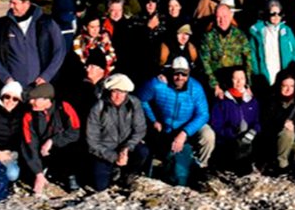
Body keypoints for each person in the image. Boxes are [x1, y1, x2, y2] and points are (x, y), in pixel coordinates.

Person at [136, 56, 215, 186]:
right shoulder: (157, 84)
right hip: (164, 127)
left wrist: (185, 132)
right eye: (176, 74)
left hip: (187, 125)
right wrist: (153, 119)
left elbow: (203, 114)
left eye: (183, 74)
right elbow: (140, 100)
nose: (180, 78)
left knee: (208, 135)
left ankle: (201, 165)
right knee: (172, 157)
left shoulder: (196, 88)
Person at [0, 0, 65, 95]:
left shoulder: (47, 23)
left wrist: (46, 76)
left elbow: (59, 51)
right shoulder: (3, 26)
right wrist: (6, 79)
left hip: (41, 87)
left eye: (15, 3)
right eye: (10, 2)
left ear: (26, 3)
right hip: (13, 90)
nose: (11, 6)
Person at [84, 72, 150, 191]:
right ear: (110, 91)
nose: (118, 96)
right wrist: (114, 157)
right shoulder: (98, 107)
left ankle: (128, 173)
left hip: (126, 146)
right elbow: (92, 141)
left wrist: (127, 148)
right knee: (100, 187)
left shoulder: (133, 103)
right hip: (105, 149)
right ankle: (113, 169)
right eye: (115, 91)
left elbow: (140, 129)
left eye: (123, 92)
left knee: (142, 151)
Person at [19, 82, 82, 194]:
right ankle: (43, 173)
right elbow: (29, 144)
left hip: (62, 149)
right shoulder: (29, 116)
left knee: (71, 149)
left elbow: (75, 132)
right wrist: (37, 173)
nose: (30, 102)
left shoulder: (64, 108)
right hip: (41, 153)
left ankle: (70, 175)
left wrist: (52, 141)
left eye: (34, 99)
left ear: (46, 100)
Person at [209, 67, 261, 172]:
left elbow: (258, 121)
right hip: (229, 142)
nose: (239, 82)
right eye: (235, 79)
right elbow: (216, 125)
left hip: (249, 140)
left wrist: (252, 132)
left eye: (242, 78)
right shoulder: (222, 101)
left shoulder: (252, 100)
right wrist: (231, 133)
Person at [258, 68, 295, 173]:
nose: (288, 89)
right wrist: (282, 124)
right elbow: (266, 124)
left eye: (291, 86)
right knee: (287, 133)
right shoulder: (271, 101)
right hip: (277, 141)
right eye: (285, 86)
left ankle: (290, 160)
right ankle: (282, 165)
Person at [198, 2, 254, 85]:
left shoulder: (240, 35)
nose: (222, 20)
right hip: (218, 81)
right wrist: (215, 85)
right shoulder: (207, 37)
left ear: (231, 16)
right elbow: (205, 62)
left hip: (237, 82)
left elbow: (248, 59)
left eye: (225, 16)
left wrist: (247, 83)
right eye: (219, 17)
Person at [248, 1, 295, 91]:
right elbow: (252, 53)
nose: (276, 16)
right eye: (273, 14)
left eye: (279, 14)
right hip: (266, 69)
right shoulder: (259, 31)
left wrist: (294, 64)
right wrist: (256, 72)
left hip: (283, 68)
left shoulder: (286, 30)